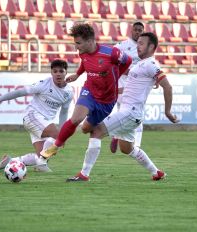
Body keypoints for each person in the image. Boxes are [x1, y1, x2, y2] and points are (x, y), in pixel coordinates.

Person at [66, 32, 179, 182]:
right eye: (137, 43)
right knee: (127, 148)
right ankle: (156, 172)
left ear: (151, 46)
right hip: (132, 114)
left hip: (130, 113)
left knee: (97, 131)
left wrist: (168, 112)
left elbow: (168, 87)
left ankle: (84, 174)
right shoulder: (140, 64)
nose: (137, 46)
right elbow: (131, 88)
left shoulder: (151, 65)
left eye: (141, 43)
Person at [41, 23, 132, 159]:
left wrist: (116, 76)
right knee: (75, 119)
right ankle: (55, 146)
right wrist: (78, 74)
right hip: (89, 91)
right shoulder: (82, 53)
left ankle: (115, 132)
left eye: (78, 43)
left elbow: (128, 61)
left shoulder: (111, 53)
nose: (76, 47)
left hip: (107, 100)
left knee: (85, 129)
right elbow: (85, 62)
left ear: (90, 41)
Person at [0, 59, 73, 172]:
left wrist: (62, 132)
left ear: (66, 72)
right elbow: (21, 92)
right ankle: (41, 164)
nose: (58, 74)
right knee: (56, 139)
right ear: (51, 73)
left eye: (61, 71)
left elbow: (64, 113)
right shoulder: (43, 84)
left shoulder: (69, 92)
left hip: (43, 123)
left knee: (41, 155)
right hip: (32, 116)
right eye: (55, 71)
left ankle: (10, 161)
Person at [110, 21, 145, 153]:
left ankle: (135, 144)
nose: (138, 32)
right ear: (131, 31)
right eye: (136, 29)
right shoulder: (122, 46)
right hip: (123, 84)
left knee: (138, 114)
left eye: (140, 30)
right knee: (124, 113)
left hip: (138, 86)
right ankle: (117, 135)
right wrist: (127, 71)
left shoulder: (145, 48)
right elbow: (113, 62)